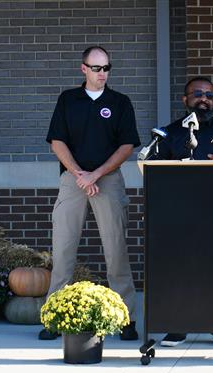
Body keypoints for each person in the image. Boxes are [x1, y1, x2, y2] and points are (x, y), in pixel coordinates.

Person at [38, 46, 140, 341]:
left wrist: (96, 174)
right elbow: (56, 141)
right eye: (96, 68)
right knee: (63, 249)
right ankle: (54, 316)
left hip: (107, 180)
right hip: (73, 179)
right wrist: (80, 174)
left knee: (116, 250)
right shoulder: (68, 99)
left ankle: (126, 317)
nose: (102, 74)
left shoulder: (119, 102)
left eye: (107, 68)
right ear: (83, 69)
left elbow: (126, 146)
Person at [153, 76, 213, 347]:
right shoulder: (171, 132)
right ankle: (178, 327)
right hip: (178, 212)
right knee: (179, 269)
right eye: (197, 94)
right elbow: (154, 166)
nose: (204, 99)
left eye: (209, 94)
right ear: (185, 100)